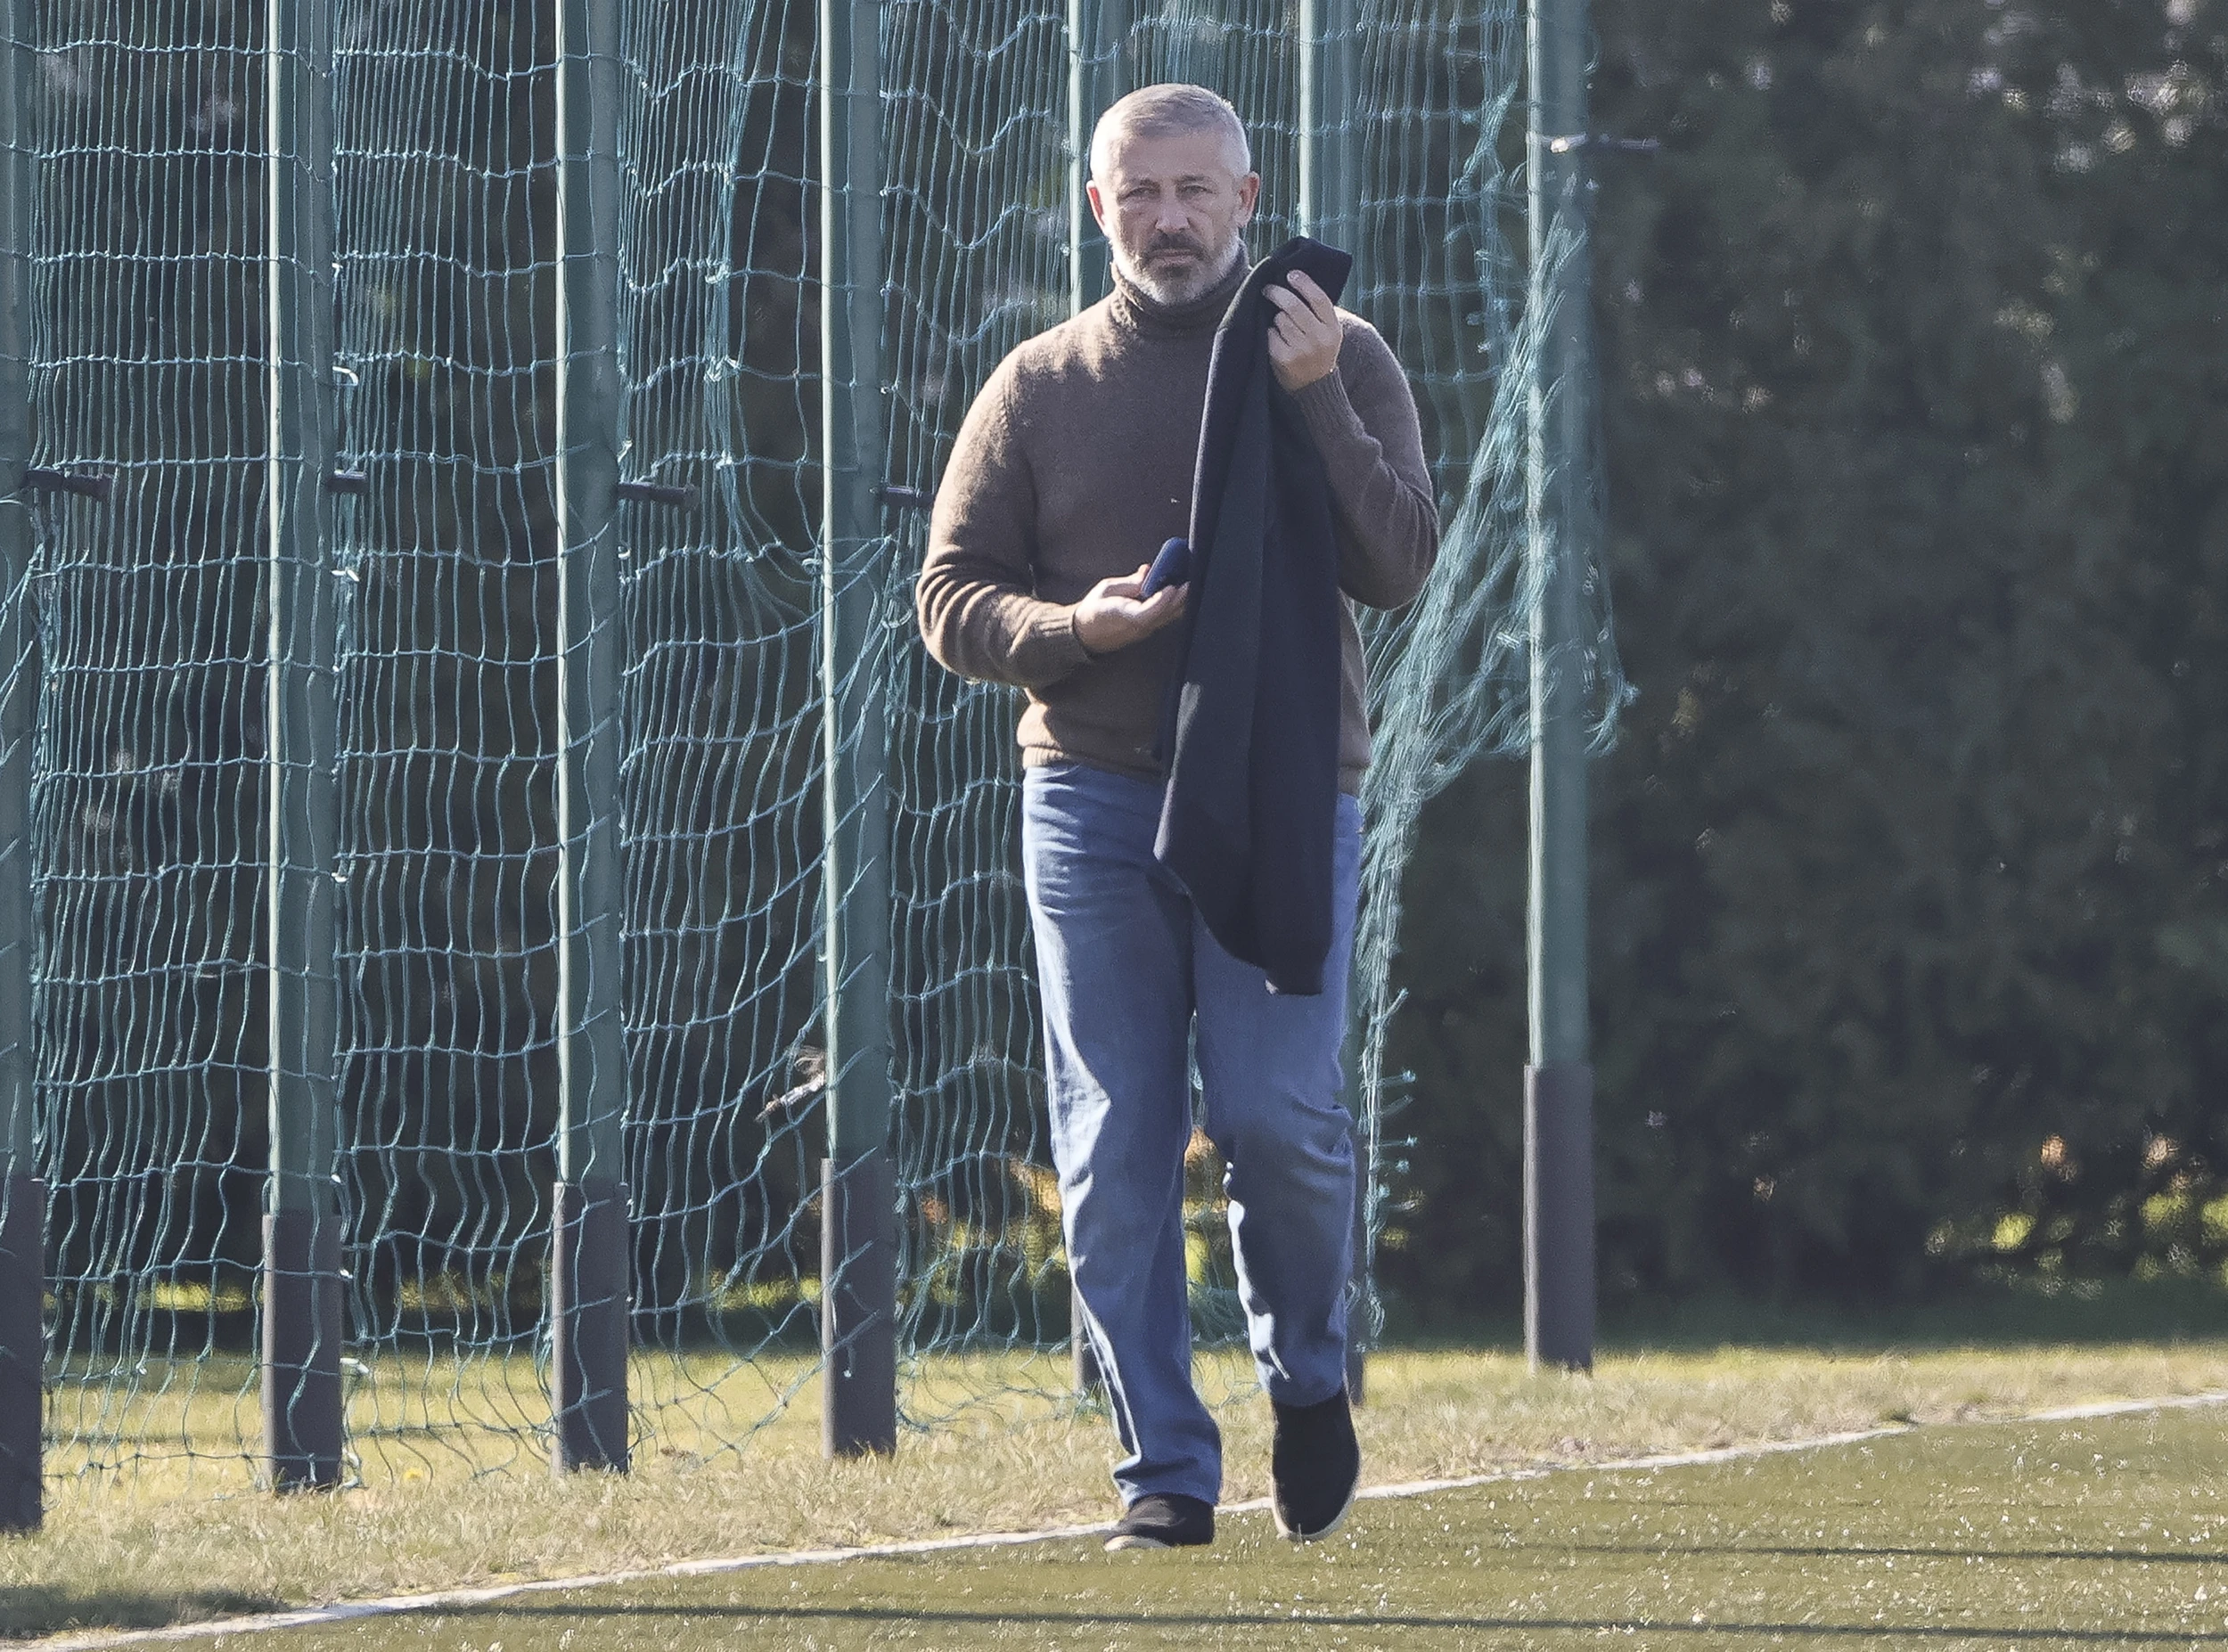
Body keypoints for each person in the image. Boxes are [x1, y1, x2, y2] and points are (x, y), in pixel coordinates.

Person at [915, 83, 1438, 1551]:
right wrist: (1075, 628)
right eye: (1140, 192)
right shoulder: (1038, 382)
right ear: (1100, 208)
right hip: (1087, 794)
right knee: (1114, 1147)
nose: (1170, 217)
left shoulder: (1338, 351)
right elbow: (947, 599)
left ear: (1247, 199)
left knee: (1279, 1114)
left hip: (1285, 788)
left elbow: (1399, 563)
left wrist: (1317, 392)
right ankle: (1165, 1464)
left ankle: (1312, 1377)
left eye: (1198, 190)